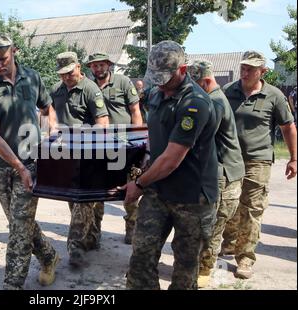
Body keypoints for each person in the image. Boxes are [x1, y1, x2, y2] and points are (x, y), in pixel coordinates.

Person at [121, 41, 218, 290]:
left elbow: (172, 159)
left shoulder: (195, 103)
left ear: (183, 69)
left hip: (191, 196)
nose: (160, 83)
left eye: (165, 77)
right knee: (141, 255)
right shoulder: (154, 93)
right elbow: (152, 135)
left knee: (185, 269)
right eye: (156, 77)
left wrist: (140, 183)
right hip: (159, 188)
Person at [0, 33, 59, 290]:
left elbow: (47, 108)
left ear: (14, 52)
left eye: (3, 59)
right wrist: (17, 167)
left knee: (19, 228)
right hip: (1, 166)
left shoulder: (32, 77)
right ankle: (49, 256)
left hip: (31, 162)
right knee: (19, 221)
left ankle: (13, 284)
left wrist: (51, 133)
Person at [220, 51, 297, 279]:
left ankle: (245, 258)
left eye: (250, 69)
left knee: (252, 209)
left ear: (263, 72)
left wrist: (294, 158)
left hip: (258, 160)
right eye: (243, 68)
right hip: (230, 159)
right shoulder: (229, 91)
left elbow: (288, 128)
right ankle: (230, 242)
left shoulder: (274, 96)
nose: (244, 73)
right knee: (229, 205)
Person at [187, 59, 245, 287]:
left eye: (195, 82)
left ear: (206, 80)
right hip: (218, 173)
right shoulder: (211, 99)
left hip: (225, 177)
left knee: (211, 227)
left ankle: (205, 270)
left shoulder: (214, 103)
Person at [50, 51, 109, 267]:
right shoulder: (56, 90)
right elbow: (50, 113)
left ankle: (75, 246)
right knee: (74, 201)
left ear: (78, 67)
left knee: (84, 201)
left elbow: (103, 122)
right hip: (65, 155)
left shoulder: (90, 89)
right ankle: (90, 238)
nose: (66, 78)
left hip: (88, 153)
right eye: (62, 74)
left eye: (69, 73)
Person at [86, 52, 142, 244]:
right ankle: (94, 233)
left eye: (101, 65)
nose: (98, 69)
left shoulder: (123, 82)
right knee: (97, 191)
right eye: (94, 66)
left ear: (108, 65)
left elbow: (135, 111)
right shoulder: (88, 85)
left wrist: (137, 140)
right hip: (99, 147)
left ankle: (132, 229)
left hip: (125, 145)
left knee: (130, 189)